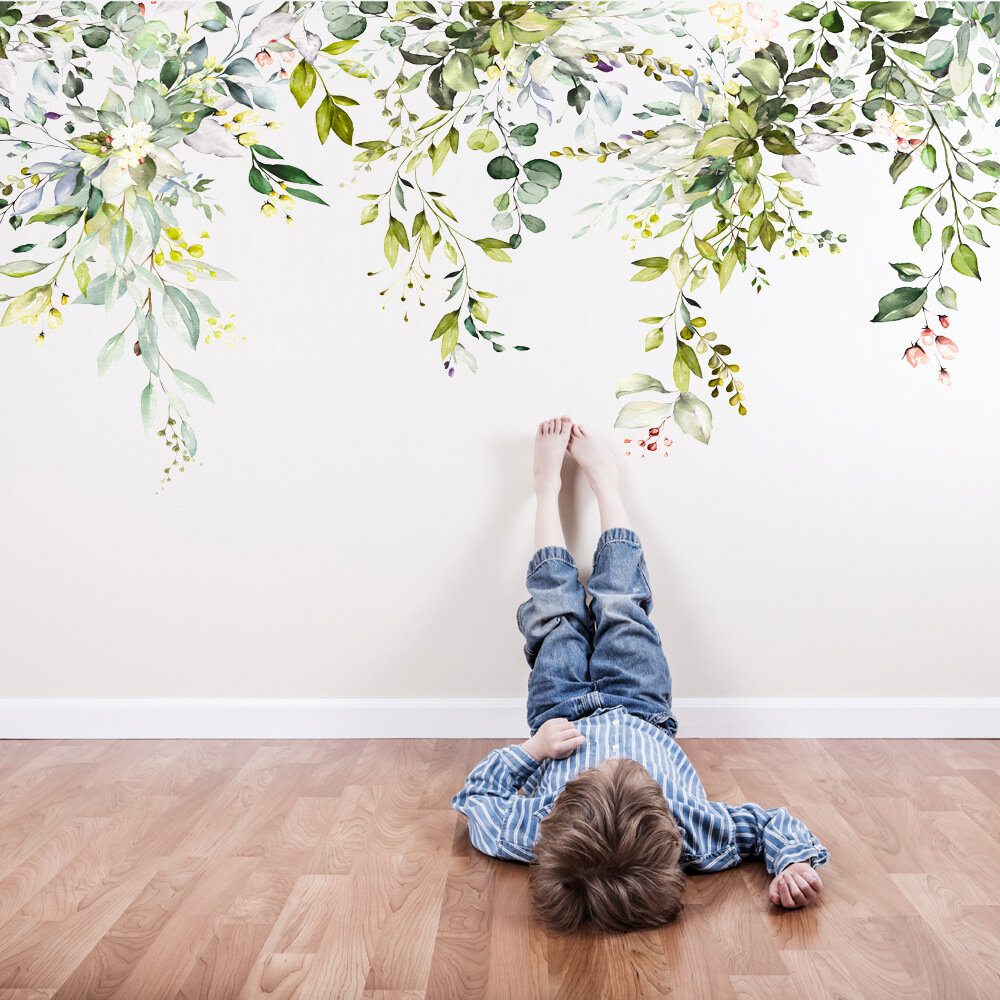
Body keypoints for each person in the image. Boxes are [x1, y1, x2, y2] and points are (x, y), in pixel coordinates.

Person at [451, 416, 829, 935]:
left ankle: (546, 490)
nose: (610, 758)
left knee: (555, 612)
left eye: (597, 771)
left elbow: (475, 799)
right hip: (640, 703)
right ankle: (608, 486)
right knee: (622, 604)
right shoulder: (693, 831)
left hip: (559, 707)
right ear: (668, 823)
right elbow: (768, 824)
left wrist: (533, 750)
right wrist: (793, 862)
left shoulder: (530, 831)